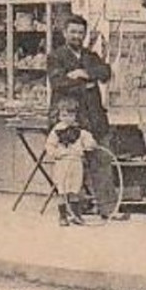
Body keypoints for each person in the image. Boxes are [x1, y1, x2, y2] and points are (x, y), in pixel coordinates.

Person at [46, 14, 121, 220]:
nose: (77, 36)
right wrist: (84, 83)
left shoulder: (90, 56)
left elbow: (105, 72)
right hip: (70, 121)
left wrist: (82, 73)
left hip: (96, 119)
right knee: (71, 167)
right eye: (73, 32)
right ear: (65, 33)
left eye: (80, 32)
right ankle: (73, 210)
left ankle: (108, 209)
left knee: (102, 162)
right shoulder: (56, 56)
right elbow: (58, 83)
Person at [42, 96, 99, 227]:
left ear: (75, 116)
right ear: (59, 116)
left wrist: (91, 144)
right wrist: (57, 153)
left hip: (76, 163)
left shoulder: (80, 131)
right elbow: (49, 146)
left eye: (71, 115)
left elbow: (89, 142)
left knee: (74, 189)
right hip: (62, 163)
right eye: (64, 115)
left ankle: (76, 215)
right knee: (62, 190)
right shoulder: (56, 132)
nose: (68, 118)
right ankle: (63, 216)